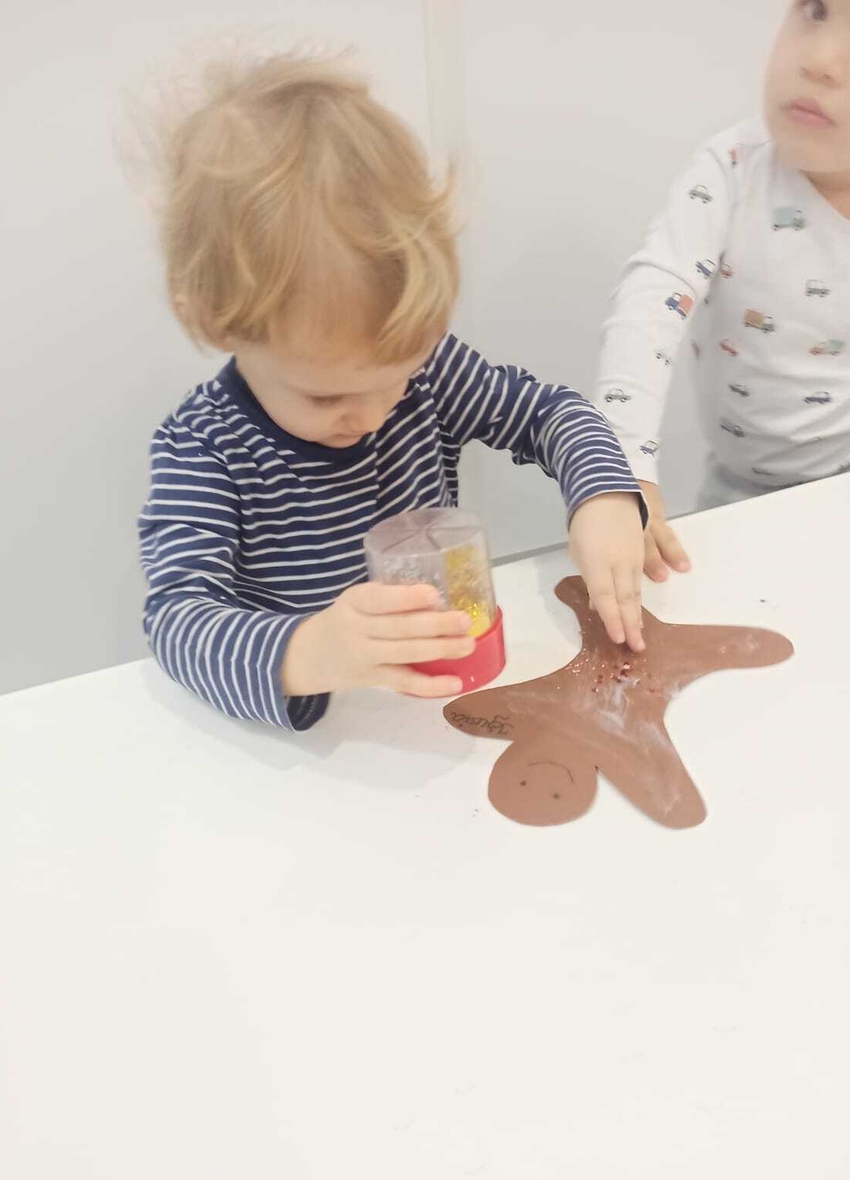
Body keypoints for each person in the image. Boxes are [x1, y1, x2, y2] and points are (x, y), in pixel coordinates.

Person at [138, 54, 645, 731]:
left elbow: (550, 415)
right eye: (326, 398)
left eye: (396, 377)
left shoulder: (429, 370)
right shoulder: (203, 450)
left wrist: (604, 498)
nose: (376, 414)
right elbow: (177, 619)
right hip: (316, 735)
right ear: (215, 321)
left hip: (440, 711)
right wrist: (309, 652)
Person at [596, 0, 850, 582]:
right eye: (815, 9)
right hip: (737, 499)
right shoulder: (733, 168)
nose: (821, 60)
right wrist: (620, 468)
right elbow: (655, 295)